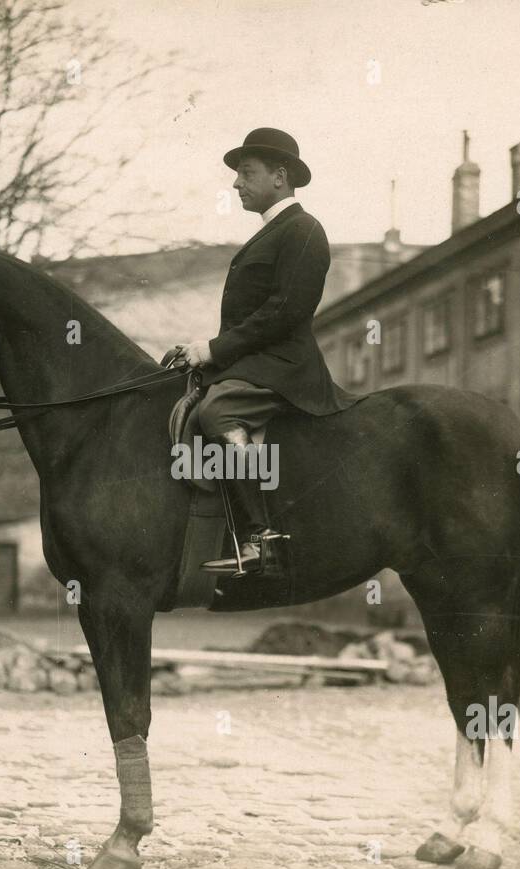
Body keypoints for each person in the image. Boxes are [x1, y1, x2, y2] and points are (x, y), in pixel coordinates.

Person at [181, 128, 360, 574]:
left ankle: (261, 538)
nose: (236, 184)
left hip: (285, 366)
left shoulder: (303, 230)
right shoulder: (270, 234)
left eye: (246, 173)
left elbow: (285, 311)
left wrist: (214, 349)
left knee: (216, 414)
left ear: (279, 177)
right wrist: (204, 352)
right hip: (257, 361)